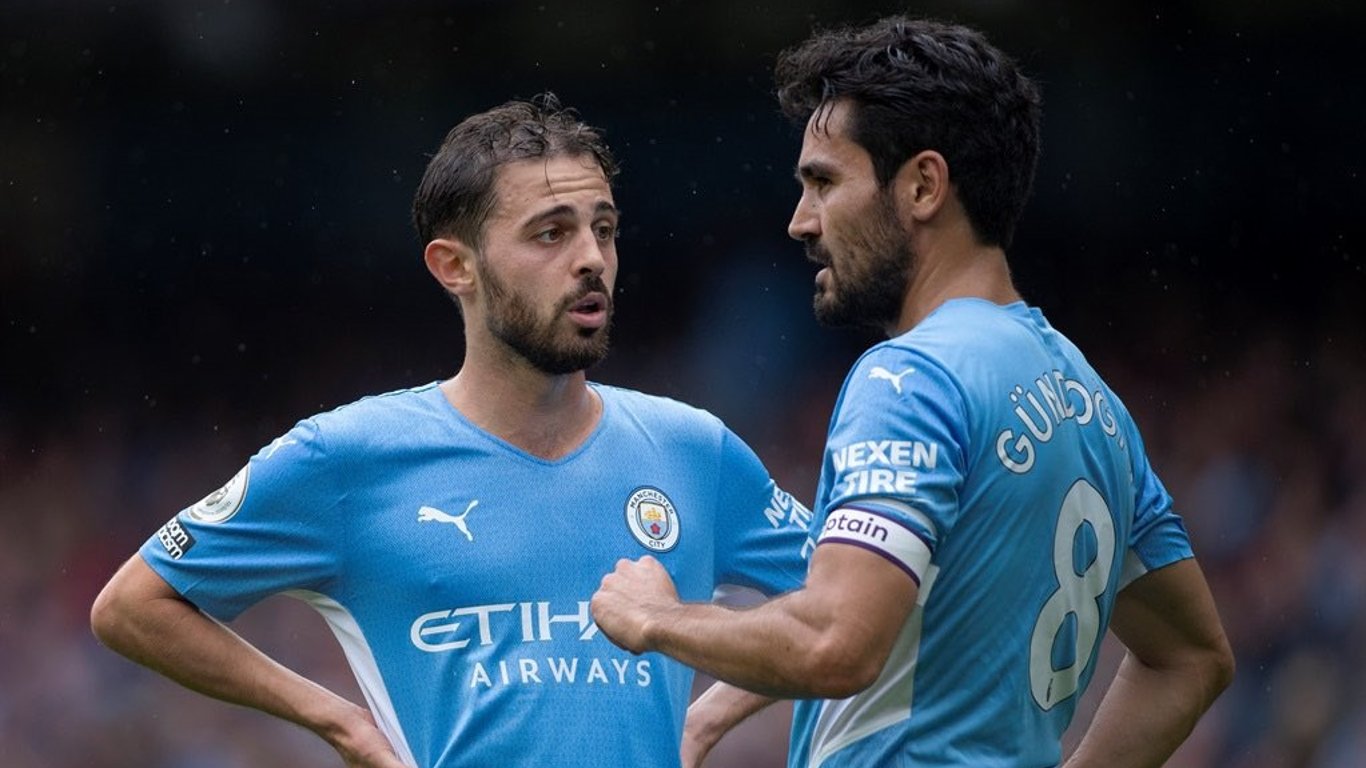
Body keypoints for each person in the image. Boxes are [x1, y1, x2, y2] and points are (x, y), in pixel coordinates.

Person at [89, 93, 813, 768]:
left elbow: (855, 605)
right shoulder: (346, 458)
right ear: (454, 267)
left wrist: (705, 720)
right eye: (551, 233)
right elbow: (134, 606)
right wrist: (337, 722)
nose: (592, 259)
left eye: (603, 229)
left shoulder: (696, 451)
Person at [591, 16, 1235, 768]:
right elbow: (1192, 659)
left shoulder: (910, 378)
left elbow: (838, 641)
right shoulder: (1090, 400)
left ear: (923, 186)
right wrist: (715, 711)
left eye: (824, 182)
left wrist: (661, 618)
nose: (801, 222)